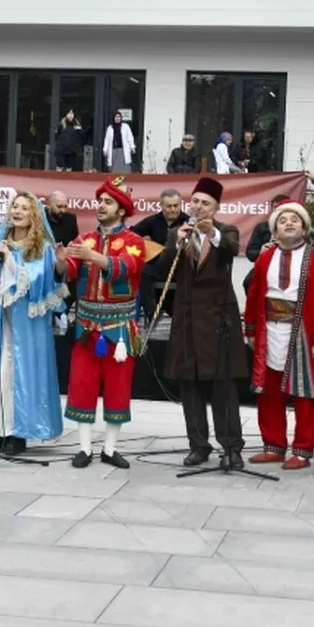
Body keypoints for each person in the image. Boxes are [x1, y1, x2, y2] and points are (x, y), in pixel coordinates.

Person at [59, 176, 145, 469]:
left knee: (118, 387)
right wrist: (60, 260)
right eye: (100, 202)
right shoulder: (84, 239)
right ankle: (84, 448)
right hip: (86, 326)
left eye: (108, 202)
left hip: (119, 329)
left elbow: (126, 268)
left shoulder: (133, 242)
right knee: (82, 384)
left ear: (121, 210)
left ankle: (109, 449)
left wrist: (91, 256)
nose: (101, 207)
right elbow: (68, 271)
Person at [161, 177, 247, 468]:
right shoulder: (177, 232)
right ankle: (198, 445)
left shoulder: (227, 231)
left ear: (216, 207)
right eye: (195, 201)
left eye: (205, 203)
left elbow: (231, 251)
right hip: (187, 319)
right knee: (190, 386)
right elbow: (163, 269)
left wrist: (213, 235)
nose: (198, 207)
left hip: (218, 320)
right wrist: (178, 243)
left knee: (223, 386)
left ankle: (232, 447)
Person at [0, 193, 62, 455]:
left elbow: (38, 283)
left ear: (34, 215)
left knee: (24, 374)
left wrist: (9, 260)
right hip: (3, 319)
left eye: (24, 208)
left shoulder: (42, 247)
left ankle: (20, 433)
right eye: (15, 207)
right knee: (1, 373)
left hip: (29, 323)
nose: (17, 212)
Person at [244, 200, 314, 470]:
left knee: (305, 394)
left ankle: (302, 450)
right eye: (283, 220)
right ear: (275, 230)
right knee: (268, 391)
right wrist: (251, 330)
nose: (289, 223)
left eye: (295, 219)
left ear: (304, 228)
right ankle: (274, 446)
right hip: (269, 331)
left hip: (302, 332)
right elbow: (255, 293)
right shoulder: (265, 257)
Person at [129, 188, 187, 319]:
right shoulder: (153, 221)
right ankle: (151, 311)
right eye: (168, 206)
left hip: (181, 267)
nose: (173, 209)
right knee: (143, 270)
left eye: (176, 206)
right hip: (159, 266)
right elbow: (131, 234)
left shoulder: (187, 222)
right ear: (161, 206)